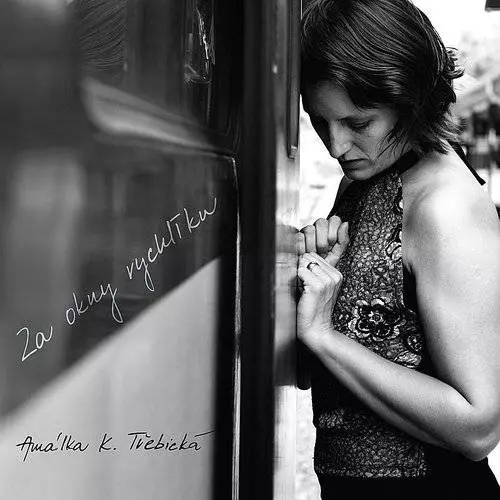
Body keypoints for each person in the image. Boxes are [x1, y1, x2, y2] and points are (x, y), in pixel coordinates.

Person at [296, 0, 500, 498]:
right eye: (320, 122)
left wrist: (324, 335)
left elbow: (479, 427)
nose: (336, 146)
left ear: (410, 103)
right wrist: (313, 286)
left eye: (358, 123)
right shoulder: (365, 179)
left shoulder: (445, 206)